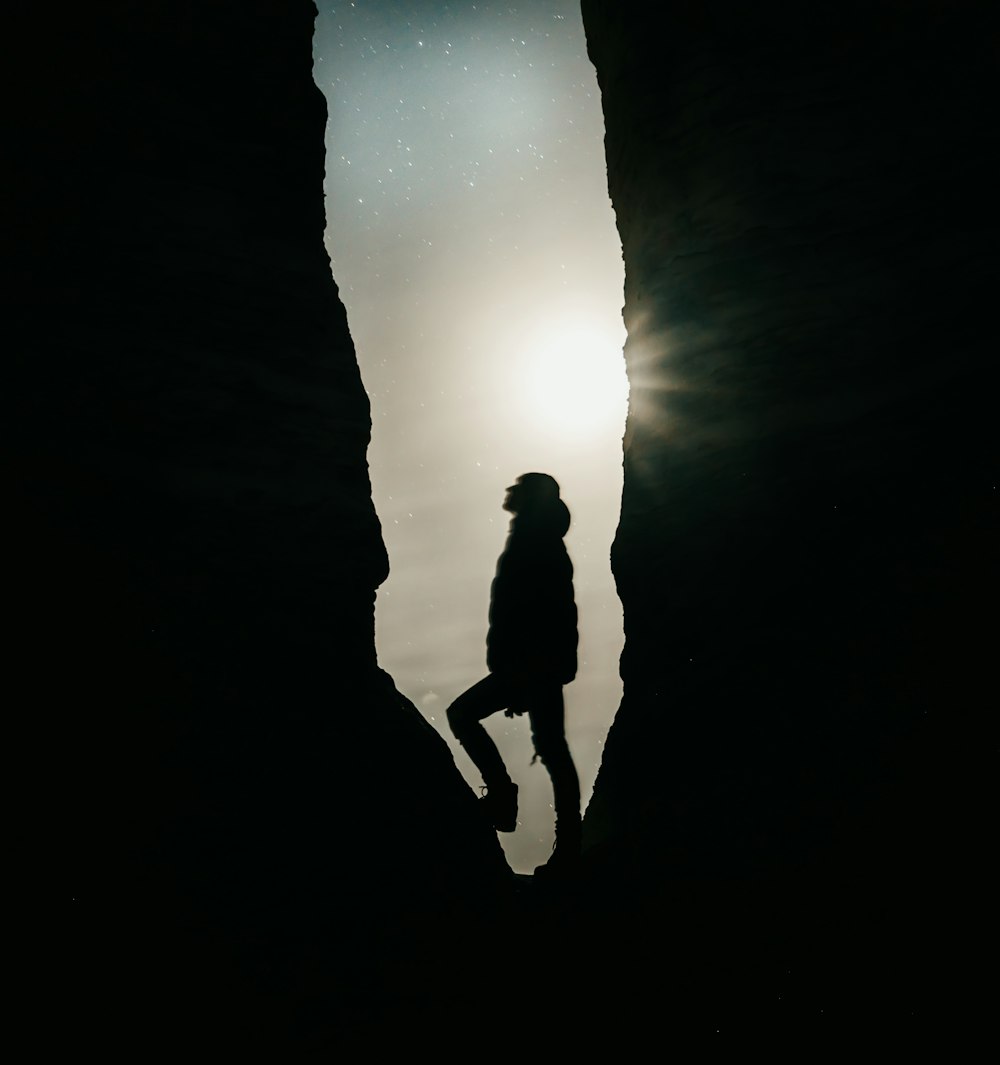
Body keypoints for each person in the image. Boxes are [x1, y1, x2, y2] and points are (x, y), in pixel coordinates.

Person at [447, 472, 581, 877]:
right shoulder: (536, 539)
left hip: (530, 664)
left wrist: (521, 670)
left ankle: (508, 801)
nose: (510, 492)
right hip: (535, 665)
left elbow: (536, 611)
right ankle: (566, 840)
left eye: (519, 488)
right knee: (552, 748)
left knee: (464, 715)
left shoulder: (534, 542)